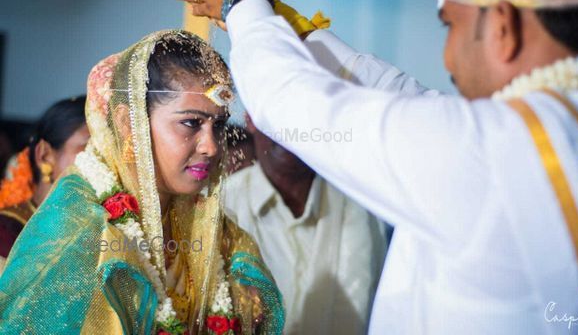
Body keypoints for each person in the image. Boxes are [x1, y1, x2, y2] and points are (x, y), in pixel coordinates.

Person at [170, 0, 578, 333]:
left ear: (503, 29)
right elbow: (409, 99)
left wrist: (243, 0)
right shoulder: (572, 122)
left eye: (449, 26)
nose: (448, 59)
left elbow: (295, 104)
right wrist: (281, 21)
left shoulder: (499, 150)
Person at [0, 30, 284, 335]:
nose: (211, 146)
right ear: (128, 123)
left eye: (218, 125)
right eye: (191, 123)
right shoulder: (79, 230)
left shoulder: (214, 229)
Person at [224, 115, 388, 334]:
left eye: (298, 109)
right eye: (276, 108)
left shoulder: (362, 204)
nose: (287, 128)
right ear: (251, 119)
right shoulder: (223, 206)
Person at [0, 95, 88, 259]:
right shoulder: (6, 232)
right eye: (89, 147)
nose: (101, 161)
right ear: (45, 155)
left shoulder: (103, 228)